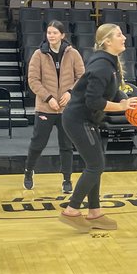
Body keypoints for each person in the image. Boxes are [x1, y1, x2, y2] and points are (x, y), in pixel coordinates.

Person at [59, 23, 137, 232]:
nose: (124, 37)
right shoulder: (101, 67)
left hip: (87, 120)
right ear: (107, 41)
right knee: (96, 165)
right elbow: (93, 101)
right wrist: (121, 107)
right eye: (118, 35)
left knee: (95, 164)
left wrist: (129, 102)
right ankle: (71, 209)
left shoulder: (110, 63)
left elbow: (112, 93)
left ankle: (94, 212)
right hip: (78, 119)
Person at [24, 20, 84, 193]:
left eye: (54, 33)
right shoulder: (38, 54)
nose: (51, 36)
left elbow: (81, 77)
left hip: (67, 109)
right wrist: (48, 97)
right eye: (49, 33)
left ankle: (67, 179)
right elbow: (33, 80)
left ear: (62, 35)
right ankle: (28, 172)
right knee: (38, 143)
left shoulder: (73, 54)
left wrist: (70, 92)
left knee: (66, 145)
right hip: (46, 107)